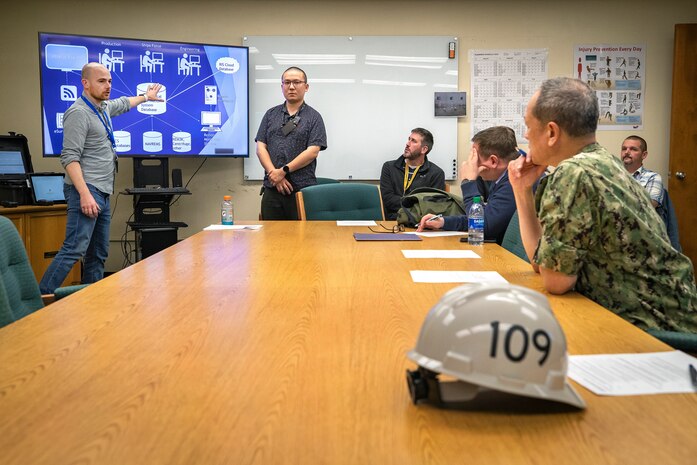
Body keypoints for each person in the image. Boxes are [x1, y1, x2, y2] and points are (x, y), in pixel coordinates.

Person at [508, 76, 696, 333]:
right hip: (666, 318)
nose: (526, 135)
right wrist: (522, 190)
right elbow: (544, 265)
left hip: (654, 331)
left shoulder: (574, 173)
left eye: (528, 126)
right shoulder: (601, 160)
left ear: (551, 132)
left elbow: (555, 281)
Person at [39, 63, 163, 293]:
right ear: (85, 83)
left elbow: (124, 103)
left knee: (97, 252)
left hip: (102, 191)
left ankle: (91, 300)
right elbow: (69, 158)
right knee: (74, 249)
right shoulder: (78, 113)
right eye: (101, 81)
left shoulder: (101, 107)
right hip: (87, 191)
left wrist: (147, 96)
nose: (108, 86)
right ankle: (38, 300)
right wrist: (85, 194)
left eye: (109, 81)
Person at [417, 126, 525, 245]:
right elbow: (485, 217)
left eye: (474, 158)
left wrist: (468, 182)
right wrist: (443, 222)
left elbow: (482, 227)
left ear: (493, 161)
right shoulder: (504, 177)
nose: (469, 163)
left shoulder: (516, 180)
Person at [256, 66, 327, 220]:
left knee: (303, 240)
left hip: (302, 191)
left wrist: (283, 172)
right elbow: (261, 147)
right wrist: (273, 174)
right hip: (272, 188)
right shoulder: (270, 115)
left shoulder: (314, 117)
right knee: (270, 239)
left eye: (297, 82)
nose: (292, 87)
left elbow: (312, 151)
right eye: (287, 82)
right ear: (281, 86)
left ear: (306, 87)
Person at [380, 128, 445, 220]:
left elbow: (433, 205)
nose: (407, 143)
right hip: (393, 222)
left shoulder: (436, 173)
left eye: (413, 141)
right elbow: (388, 200)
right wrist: (416, 203)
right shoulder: (389, 167)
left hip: (420, 223)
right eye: (409, 139)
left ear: (424, 149)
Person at [621, 135, 664, 208]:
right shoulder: (612, 173)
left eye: (633, 149)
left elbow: (649, 206)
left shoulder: (653, 177)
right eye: (624, 149)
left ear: (644, 155)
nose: (627, 152)